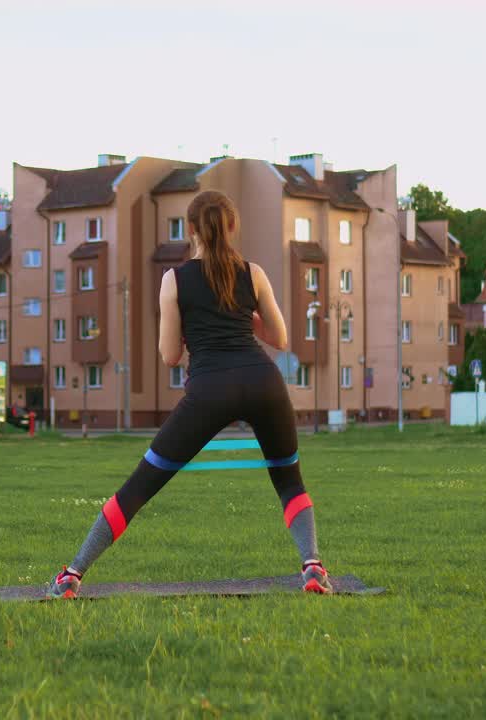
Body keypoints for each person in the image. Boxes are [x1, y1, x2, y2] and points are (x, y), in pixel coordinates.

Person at [46, 190, 332, 598]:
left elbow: (168, 356)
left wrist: (195, 329)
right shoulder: (254, 273)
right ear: (232, 226)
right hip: (263, 384)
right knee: (289, 481)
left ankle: (71, 576)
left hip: (209, 390)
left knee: (140, 486)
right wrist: (242, 318)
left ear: (192, 229)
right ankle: (312, 568)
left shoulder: (174, 280)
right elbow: (282, 338)